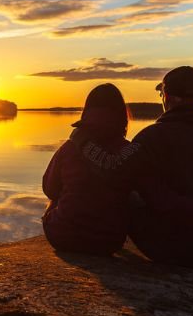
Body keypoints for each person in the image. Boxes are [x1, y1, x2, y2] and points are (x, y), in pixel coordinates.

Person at [71, 66, 193, 269]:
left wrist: (81, 141)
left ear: (166, 96)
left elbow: (111, 168)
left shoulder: (150, 139)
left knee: (125, 191)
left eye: (161, 93)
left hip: (168, 247)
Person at [42, 83, 131, 256]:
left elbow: (50, 189)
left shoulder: (69, 147)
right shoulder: (128, 150)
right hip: (109, 240)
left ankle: (70, 222)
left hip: (62, 236)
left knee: (56, 199)